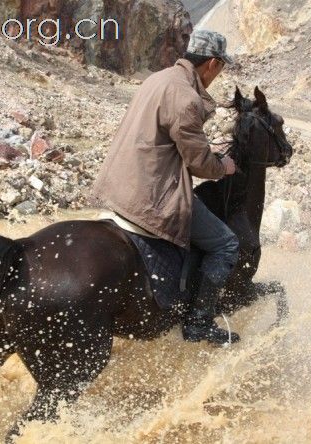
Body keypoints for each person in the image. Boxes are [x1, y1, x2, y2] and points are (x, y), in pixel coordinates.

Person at [93, 30, 241, 345]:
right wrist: (222, 166)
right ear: (212, 64)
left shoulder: (157, 79)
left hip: (119, 182)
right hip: (150, 194)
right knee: (225, 244)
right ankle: (199, 323)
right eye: (221, 68)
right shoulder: (186, 96)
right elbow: (200, 165)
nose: (219, 74)